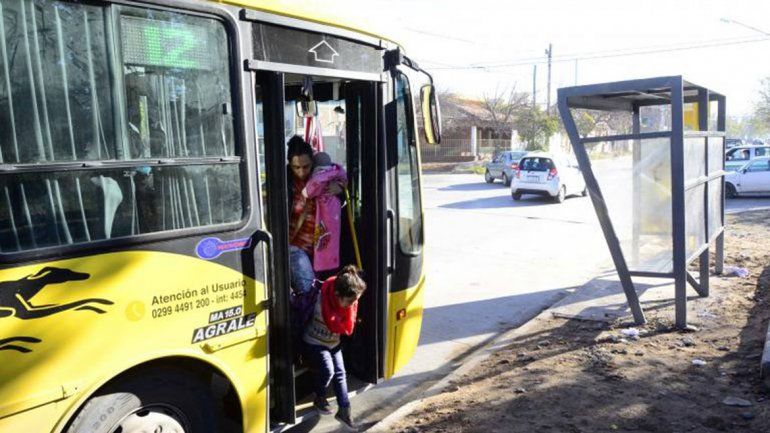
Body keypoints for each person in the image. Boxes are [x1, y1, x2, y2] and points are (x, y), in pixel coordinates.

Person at [304, 265, 366, 431]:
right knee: (328, 371)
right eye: (351, 301)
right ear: (337, 294)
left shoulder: (346, 299)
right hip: (314, 341)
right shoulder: (320, 298)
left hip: (333, 342)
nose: (353, 305)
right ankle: (319, 397)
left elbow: (347, 324)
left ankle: (344, 411)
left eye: (356, 300)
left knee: (340, 374)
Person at [303, 151, 348, 272]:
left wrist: (340, 191)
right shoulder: (311, 183)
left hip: (325, 235)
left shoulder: (326, 183)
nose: (301, 170)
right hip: (305, 241)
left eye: (305, 166)